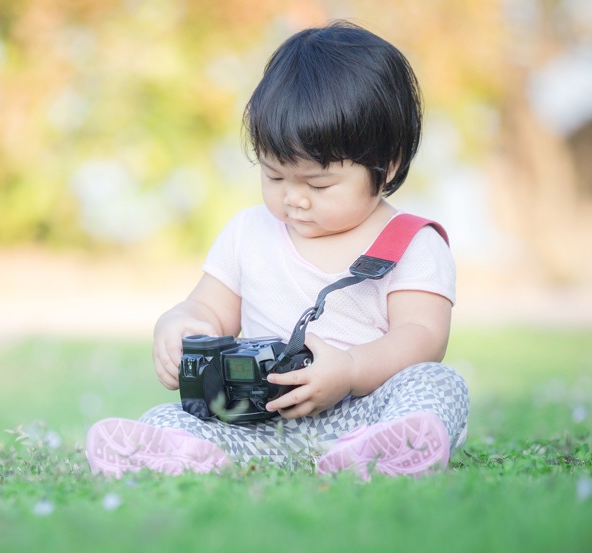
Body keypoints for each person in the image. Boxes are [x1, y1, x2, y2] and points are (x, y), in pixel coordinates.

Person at [86, 20, 470, 480]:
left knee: (437, 383)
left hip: (363, 415)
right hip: (258, 423)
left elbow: (423, 338)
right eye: (274, 176)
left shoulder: (411, 244)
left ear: (386, 167)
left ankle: (380, 453)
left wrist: (349, 370)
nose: (294, 198)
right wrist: (180, 327)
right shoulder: (249, 232)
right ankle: (188, 456)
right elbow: (207, 308)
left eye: (318, 182)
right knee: (167, 420)